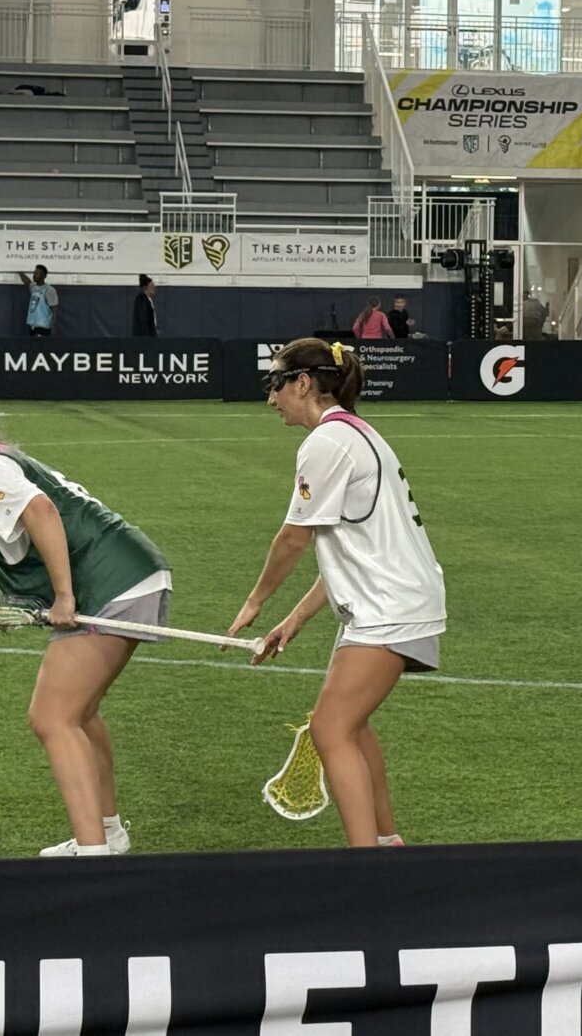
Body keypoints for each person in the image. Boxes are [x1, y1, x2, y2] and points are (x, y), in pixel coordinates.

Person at [0, 379, 173, 857]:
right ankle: (107, 833)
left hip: (111, 583)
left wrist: (62, 596)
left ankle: (93, 851)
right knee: (77, 713)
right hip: (131, 571)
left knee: (51, 717)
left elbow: (42, 513)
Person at [228, 338, 446, 847]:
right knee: (351, 726)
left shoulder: (327, 443)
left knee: (331, 730)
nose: (270, 399)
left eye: (274, 385)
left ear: (302, 384)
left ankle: (364, 863)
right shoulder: (354, 433)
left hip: (389, 607)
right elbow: (352, 547)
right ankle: (386, 845)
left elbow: (294, 537)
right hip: (386, 602)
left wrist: (257, 600)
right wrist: (296, 618)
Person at [19, 264, 58, 337]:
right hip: (33, 326)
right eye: (34, 273)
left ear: (43, 275)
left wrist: (53, 328)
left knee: (41, 348)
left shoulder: (49, 290)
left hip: (43, 327)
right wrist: (20, 272)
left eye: (36, 273)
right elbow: (27, 282)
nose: (34, 275)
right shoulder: (33, 287)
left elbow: (54, 310)